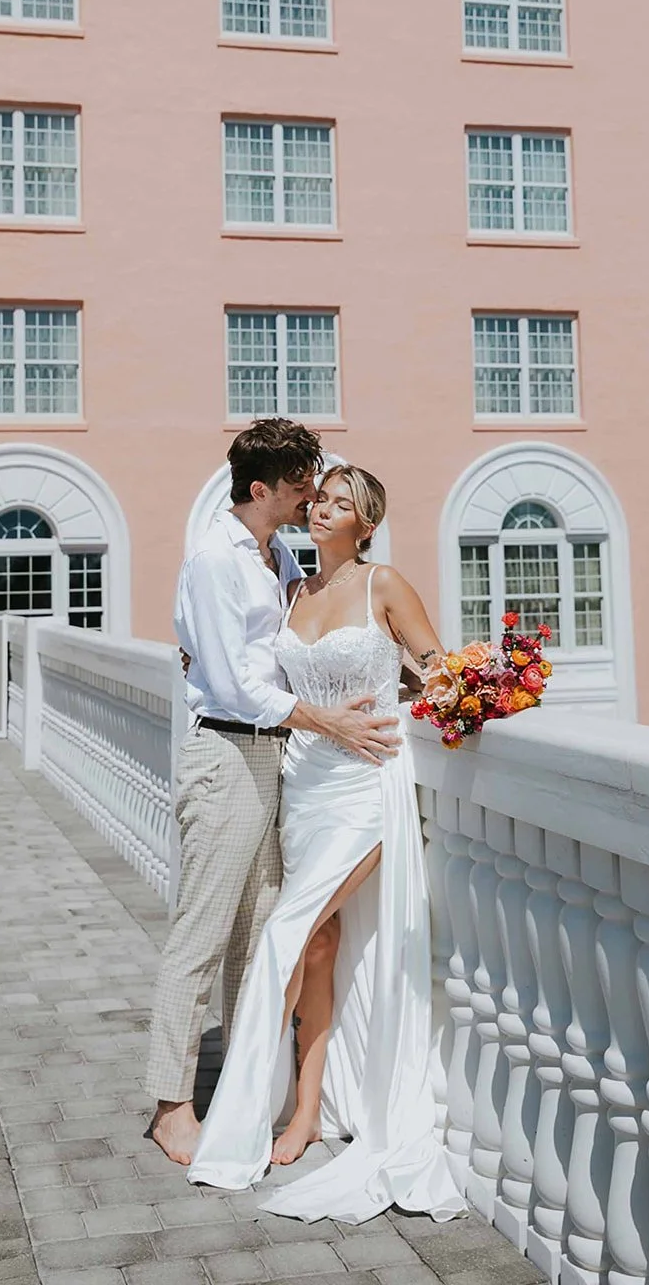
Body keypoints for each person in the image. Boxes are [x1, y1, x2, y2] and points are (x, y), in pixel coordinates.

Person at [187, 465, 465, 1225]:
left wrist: (463, 696)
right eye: (321, 497)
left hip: (364, 787)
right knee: (318, 946)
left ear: (365, 523)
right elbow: (255, 672)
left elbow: (437, 669)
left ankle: (238, 1123)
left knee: (285, 933)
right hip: (302, 786)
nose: (323, 509)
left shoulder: (384, 584)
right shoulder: (295, 591)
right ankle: (306, 1108)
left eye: (342, 503)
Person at [146, 422, 403, 1166]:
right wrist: (325, 720)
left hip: (278, 759)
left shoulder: (278, 555)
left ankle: (245, 1088)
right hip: (226, 751)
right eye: (299, 488)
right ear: (260, 490)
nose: (308, 500)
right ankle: (170, 1106)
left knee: (257, 933)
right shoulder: (214, 559)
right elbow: (232, 682)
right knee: (202, 932)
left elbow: (294, 648)